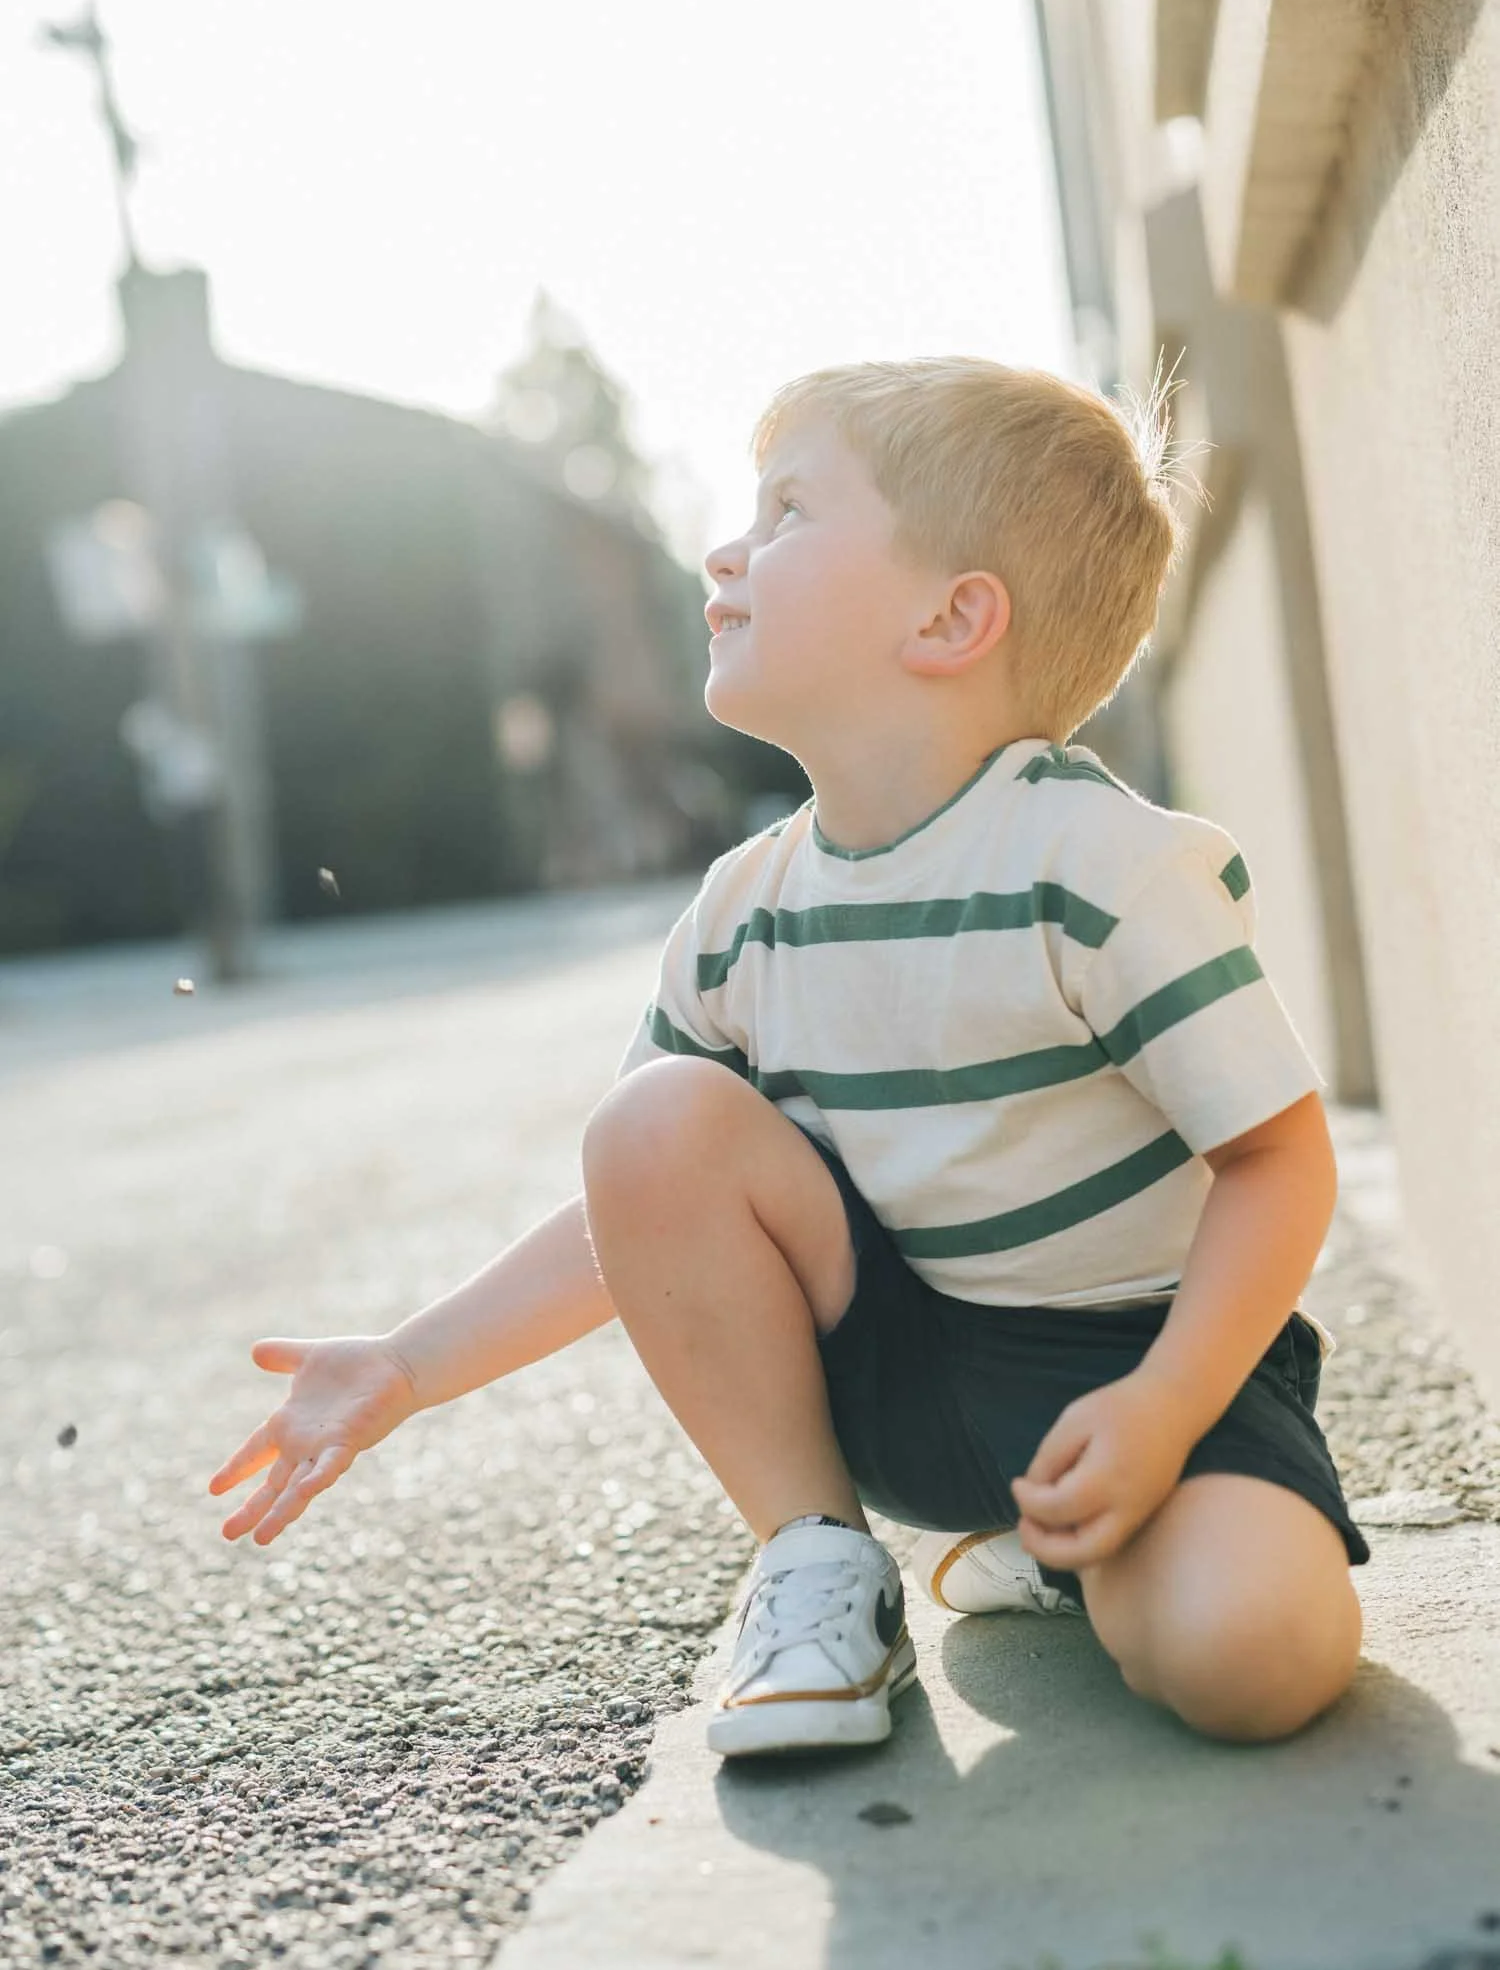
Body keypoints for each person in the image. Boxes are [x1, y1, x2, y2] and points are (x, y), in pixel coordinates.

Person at [209, 356, 1368, 1760]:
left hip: (1149, 1365)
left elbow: (1277, 1156)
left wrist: (1165, 1404)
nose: (723, 549)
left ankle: (1067, 1551)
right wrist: (406, 1362)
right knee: (657, 1118)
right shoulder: (743, 910)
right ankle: (819, 1557)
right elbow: (637, 1210)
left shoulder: (1104, 865)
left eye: (786, 512)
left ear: (951, 616)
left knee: (1254, 1661)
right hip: (902, 1368)